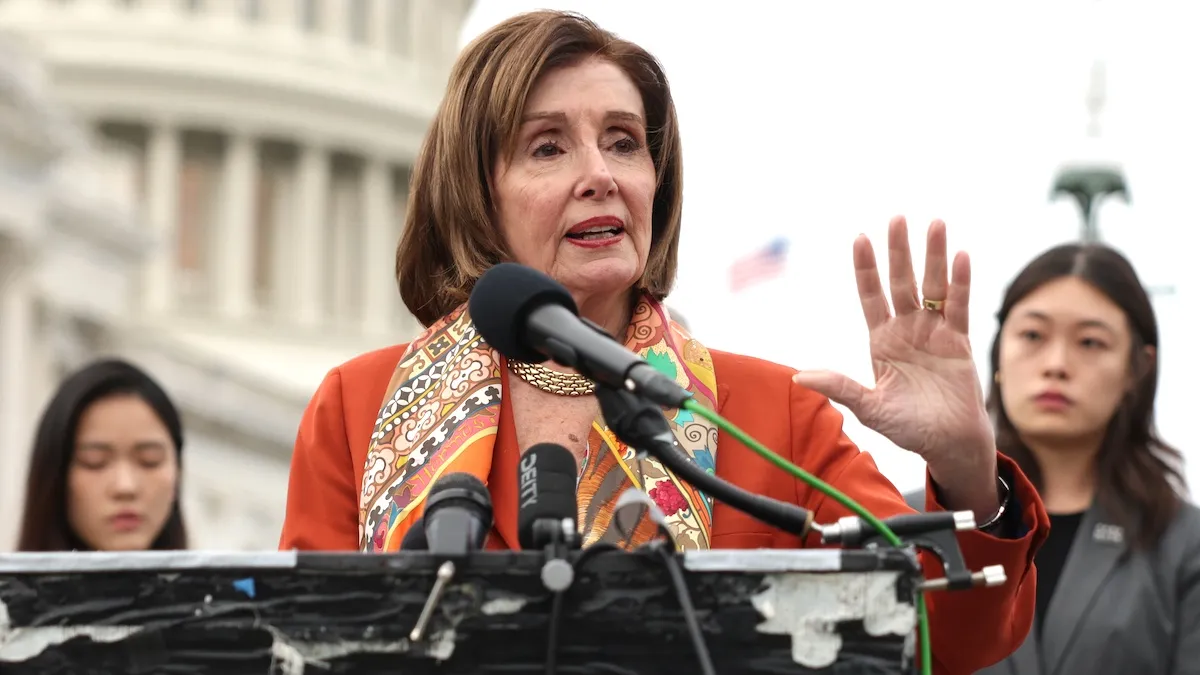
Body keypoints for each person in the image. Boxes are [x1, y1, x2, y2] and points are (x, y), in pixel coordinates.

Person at [280, 10, 1049, 673]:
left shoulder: (767, 408)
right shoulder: (359, 405)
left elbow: (944, 640)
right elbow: (297, 646)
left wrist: (965, 473)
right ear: (475, 193)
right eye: (547, 147)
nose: (599, 175)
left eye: (623, 142)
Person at [962, 244, 1196, 674]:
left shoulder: (1184, 543)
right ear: (997, 353)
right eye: (1032, 335)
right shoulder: (914, 521)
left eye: (1090, 342)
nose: (1056, 365)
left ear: (1137, 369)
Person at [17, 359, 188, 552]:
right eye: (94, 461)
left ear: (177, 471)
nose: (125, 486)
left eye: (150, 460)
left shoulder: (223, 582)